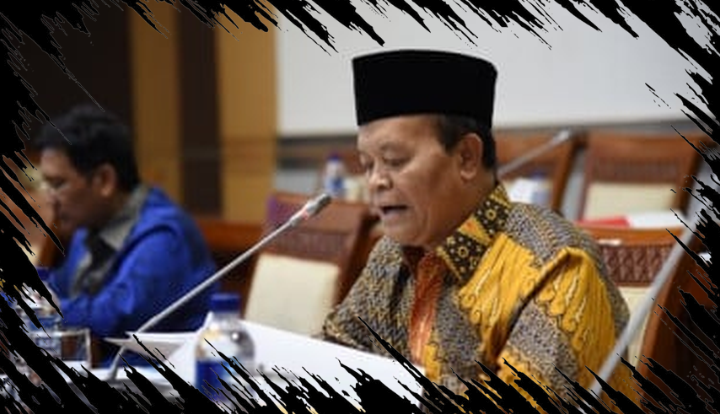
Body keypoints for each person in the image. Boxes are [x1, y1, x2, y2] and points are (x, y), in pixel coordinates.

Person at [321, 50, 634, 408]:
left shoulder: (556, 264)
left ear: (467, 157)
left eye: (394, 161)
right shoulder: (391, 256)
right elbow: (330, 362)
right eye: (367, 164)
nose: (376, 181)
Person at [33, 105, 217, 366]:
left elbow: (116, 316)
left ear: (104, 180)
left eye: (58, 184)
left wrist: (39, 308)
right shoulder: (87, 228)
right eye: (45, 185)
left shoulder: (165, 235)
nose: (49, 199)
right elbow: (58, 291)